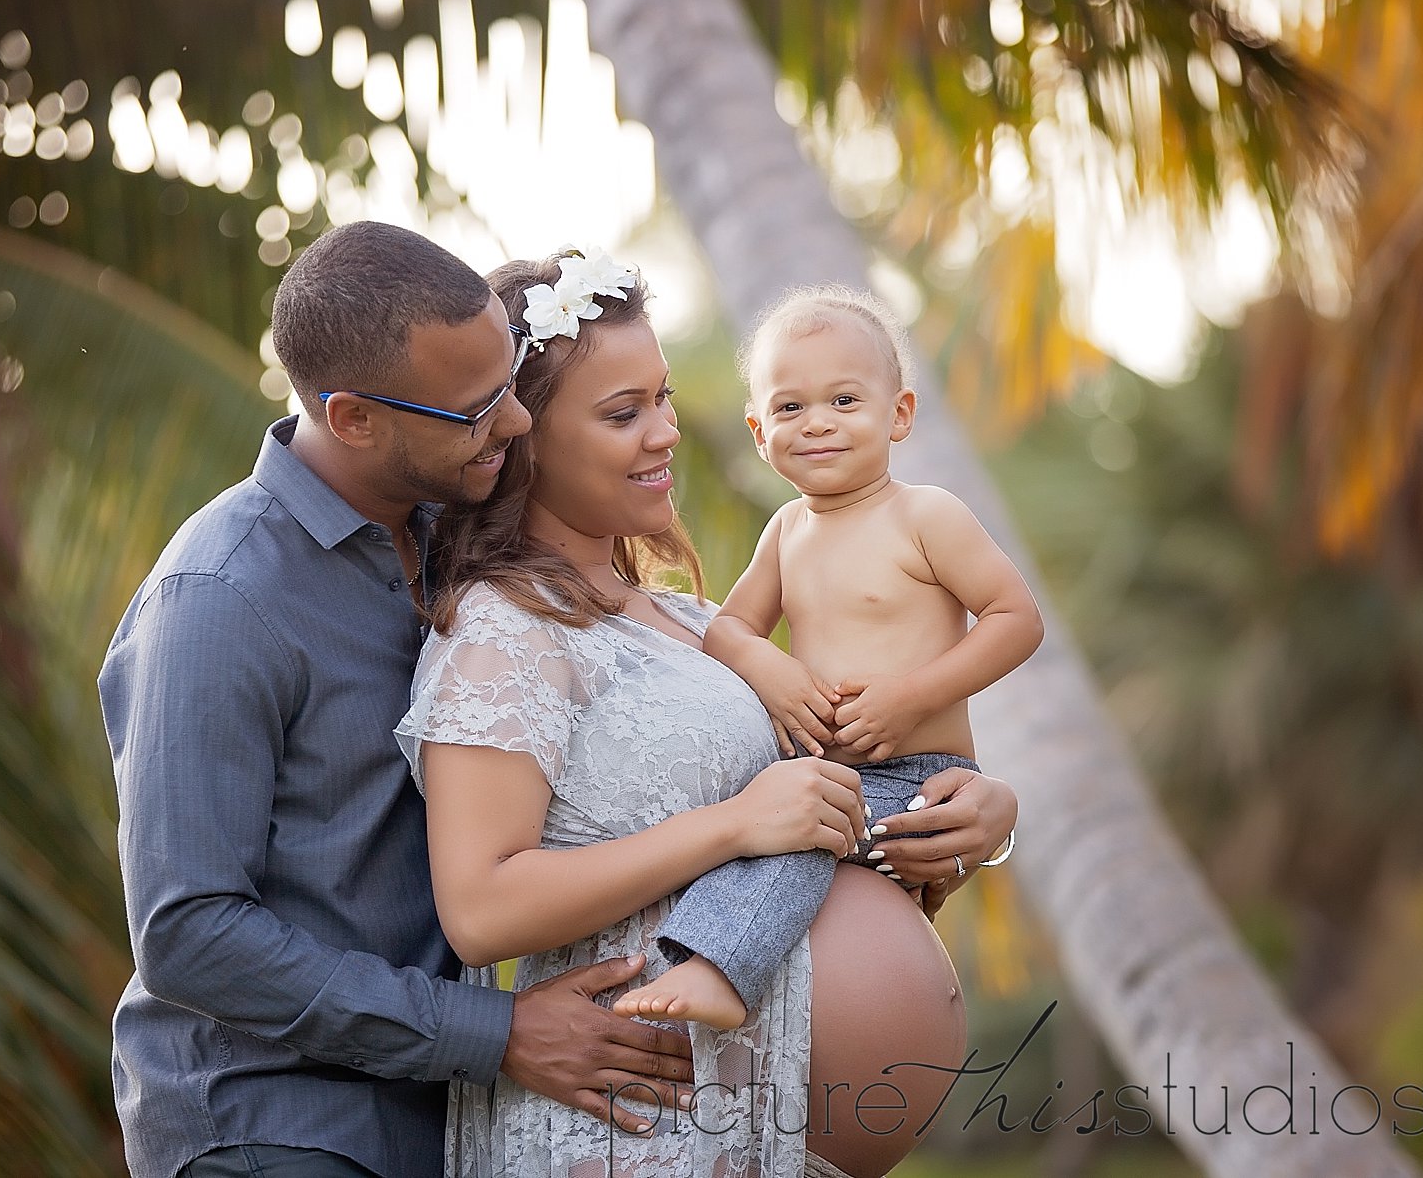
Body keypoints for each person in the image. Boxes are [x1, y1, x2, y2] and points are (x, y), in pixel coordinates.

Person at [101, 222, 755, 1178]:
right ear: (355, 417)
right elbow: (188, 932)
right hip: (270, 1130)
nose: (518, 422)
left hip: (439, 1124)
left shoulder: (460, 535)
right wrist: (494, 1033)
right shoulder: (221, 597)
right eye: (479, 406)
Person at [397, 251, 1021, 1177]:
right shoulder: (504, 629)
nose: (663, 435)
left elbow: (819, 831)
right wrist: (733, 823)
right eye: (622, 413)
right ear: (527, 436)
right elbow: (480, 911)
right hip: (642, 1129)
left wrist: (971, 825)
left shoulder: (701, 624)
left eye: (663, 398)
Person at [616, 285, 1044, 1031]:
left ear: (898, 414)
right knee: (777, 821)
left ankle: (720, 970)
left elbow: (1017, 619)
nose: (816, 423)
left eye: (844, 401)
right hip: (833, 779)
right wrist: (774, 670)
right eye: (789, 408)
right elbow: (729, 631)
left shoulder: (924, 515)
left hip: (919, 779)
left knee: (800, 827)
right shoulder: (786, 531)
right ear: (758, 430)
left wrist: (912, 696)